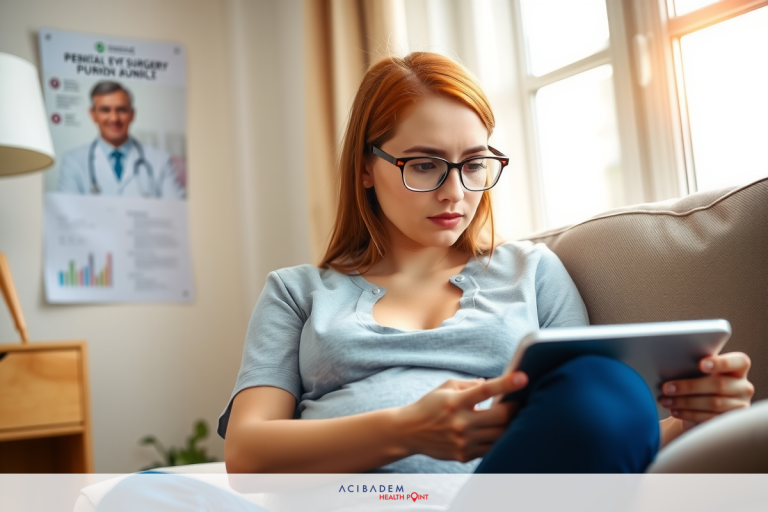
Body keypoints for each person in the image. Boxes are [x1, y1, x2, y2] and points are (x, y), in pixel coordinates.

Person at [218, 52, 754, 474]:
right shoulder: (297, 292)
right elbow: (247, 451)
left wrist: (694, 420)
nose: (455, 192)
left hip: (499, 492)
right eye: (424, 164)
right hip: (358, 498)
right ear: (365, 168)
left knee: (606, 387)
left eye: (474, 164)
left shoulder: (532, 271)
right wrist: (406, 429)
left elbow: (594, 434)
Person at [58, 81, 184, 199]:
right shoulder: (73, 161)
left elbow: (175, 215)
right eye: (105, 110)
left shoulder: (160, 161)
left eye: (121, 110)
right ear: (93, 114)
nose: (114, 118)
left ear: (132, 114)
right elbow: (68, 215)